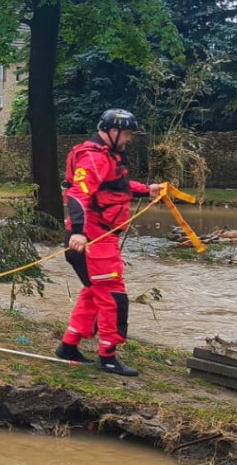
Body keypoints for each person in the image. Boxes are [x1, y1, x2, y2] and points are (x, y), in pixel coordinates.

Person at [55, 109, 162, 377]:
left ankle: (69, 345)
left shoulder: (106, 157)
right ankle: (108, 356)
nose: (127, 139)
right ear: (111, 132)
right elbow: (77, 194)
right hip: (92, 241)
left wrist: (145, 189)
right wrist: (79, 232)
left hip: (98, 239)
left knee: (94, 292)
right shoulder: (93, 158)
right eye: (125, 134)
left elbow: (115, 186)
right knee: (113, 297)